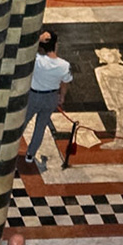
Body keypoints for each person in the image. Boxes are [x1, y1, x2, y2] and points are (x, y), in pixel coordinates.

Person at [23, 29, 72, 167]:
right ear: (56, 45)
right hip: (50, 97)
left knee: (23, 122)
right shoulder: (64, 65)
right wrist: (61, 97)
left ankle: (10, 149)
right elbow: (65, 83)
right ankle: (30, 154)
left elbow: (26, 48)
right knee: (40, 126)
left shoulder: (37, 60)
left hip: (33, 96)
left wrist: (38, 39)